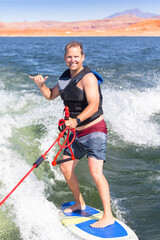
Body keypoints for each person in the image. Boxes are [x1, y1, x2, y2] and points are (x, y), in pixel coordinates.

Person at [29, 41, 115, 228]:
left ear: (83, 57)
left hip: (94, 130)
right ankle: (79, 203)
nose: (73, 60)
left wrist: (76, 120)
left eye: (76, 56)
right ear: (65, 58)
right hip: (74, 133)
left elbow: (93, 104)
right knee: (66, 168)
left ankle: (108, 215)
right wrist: (41, 85)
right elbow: (51, 95)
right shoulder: (64, 78)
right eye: (69, 56)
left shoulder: (88, 78)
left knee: (95, 172)